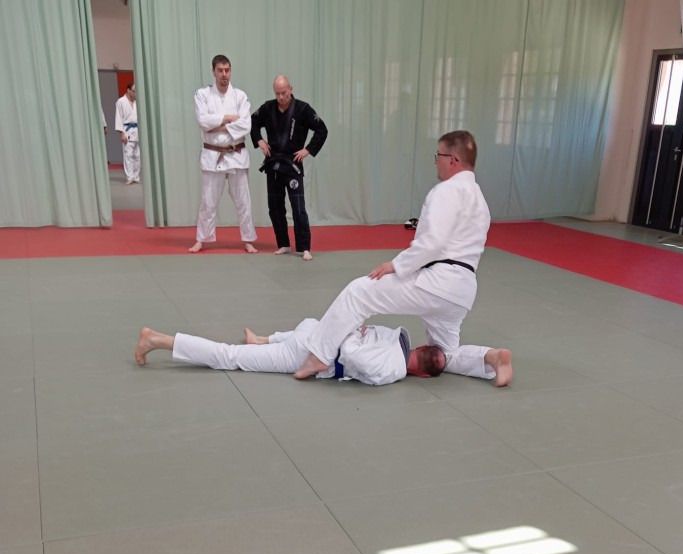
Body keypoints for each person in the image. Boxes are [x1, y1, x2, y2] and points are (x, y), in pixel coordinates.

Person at [294, 130, 512, 387]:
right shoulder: (479, 199)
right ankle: (491, 358)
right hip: (461, 291)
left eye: (438, 156)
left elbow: (432, 243)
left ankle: (319, 356)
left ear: (453, 160)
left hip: (438, 282)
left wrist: (396, 266)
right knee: (445, 353)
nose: (436, 162)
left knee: (358, 292)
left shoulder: (447, 190)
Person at [134, 320, 446, 385]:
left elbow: (360, 328)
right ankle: (158, 340)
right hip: (310, 355)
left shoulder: (398, 336)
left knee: (301, 333)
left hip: (314, 329)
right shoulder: (394, 369)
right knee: (230, 356)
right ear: (421, 373)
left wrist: (352, 331)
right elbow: (353, 357)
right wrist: (351, 338)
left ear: (420, 347)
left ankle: (262, 339)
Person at [251, 75, 328, 260]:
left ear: (290, 89)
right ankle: (283, 244)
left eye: (283, 93)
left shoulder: (303, 109)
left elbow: (322, 129)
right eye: (277, 93)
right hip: (273, 165)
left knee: (298, 208)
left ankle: (304, 247)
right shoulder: (268, 108)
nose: (280, 97)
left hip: (293, 165)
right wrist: (258, 140)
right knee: (275, 207)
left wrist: (308, 150)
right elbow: (252, 122)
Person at [189, 55, 257, 254]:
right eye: (220, 70)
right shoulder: (203, 94)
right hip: (213, 155)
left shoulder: (240, 96)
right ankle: (201, 239)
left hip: (237, 154)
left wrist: (217, 125)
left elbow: (246, 125)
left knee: (244, 201)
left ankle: (248, 239)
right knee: (208, 201)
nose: (224, 74)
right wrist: (228, 118)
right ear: (213, 72)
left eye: (227, 70)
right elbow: (203, 121)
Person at [114, 83, 139, 184]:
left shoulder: (137, 102)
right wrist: (122, 133)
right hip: (127, 130)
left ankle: (136, 176)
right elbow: (118, 117)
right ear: (128, 90)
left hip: (137, 130)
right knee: (128, 155)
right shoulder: (121, 101)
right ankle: (129, 176)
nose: (135, 93)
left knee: (137, 155)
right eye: (134, 91)